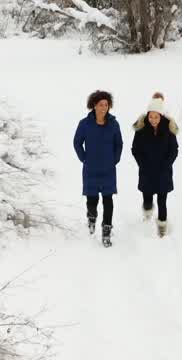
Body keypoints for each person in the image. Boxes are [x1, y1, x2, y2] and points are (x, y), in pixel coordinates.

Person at [73, 89, 124, 247]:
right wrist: (84, 158)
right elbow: (77, 143)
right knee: (92, 199)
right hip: (91, 169)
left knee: (108, 201)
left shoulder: (113, 124)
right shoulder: (85, 124)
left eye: (106, 105)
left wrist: (114, 160)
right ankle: (91, 218)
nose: (104, 108)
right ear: (94, 105)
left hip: (108, 169)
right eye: (101, 104)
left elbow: (119, 144)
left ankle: (106, 231)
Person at [130, 92, 179, 238]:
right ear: (147, 116)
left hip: (164, 171)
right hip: (146, 171)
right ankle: (147, 211)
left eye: (156, 117)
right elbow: (135, 149)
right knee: (147, 199)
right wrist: (142, 164)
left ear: (161, 116)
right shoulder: (141, 129)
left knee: (162, 200)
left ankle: (162, 226)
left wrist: (167, 164)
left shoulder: (169, 130)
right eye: (150, 116)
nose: (153, 120)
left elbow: (174, 150)